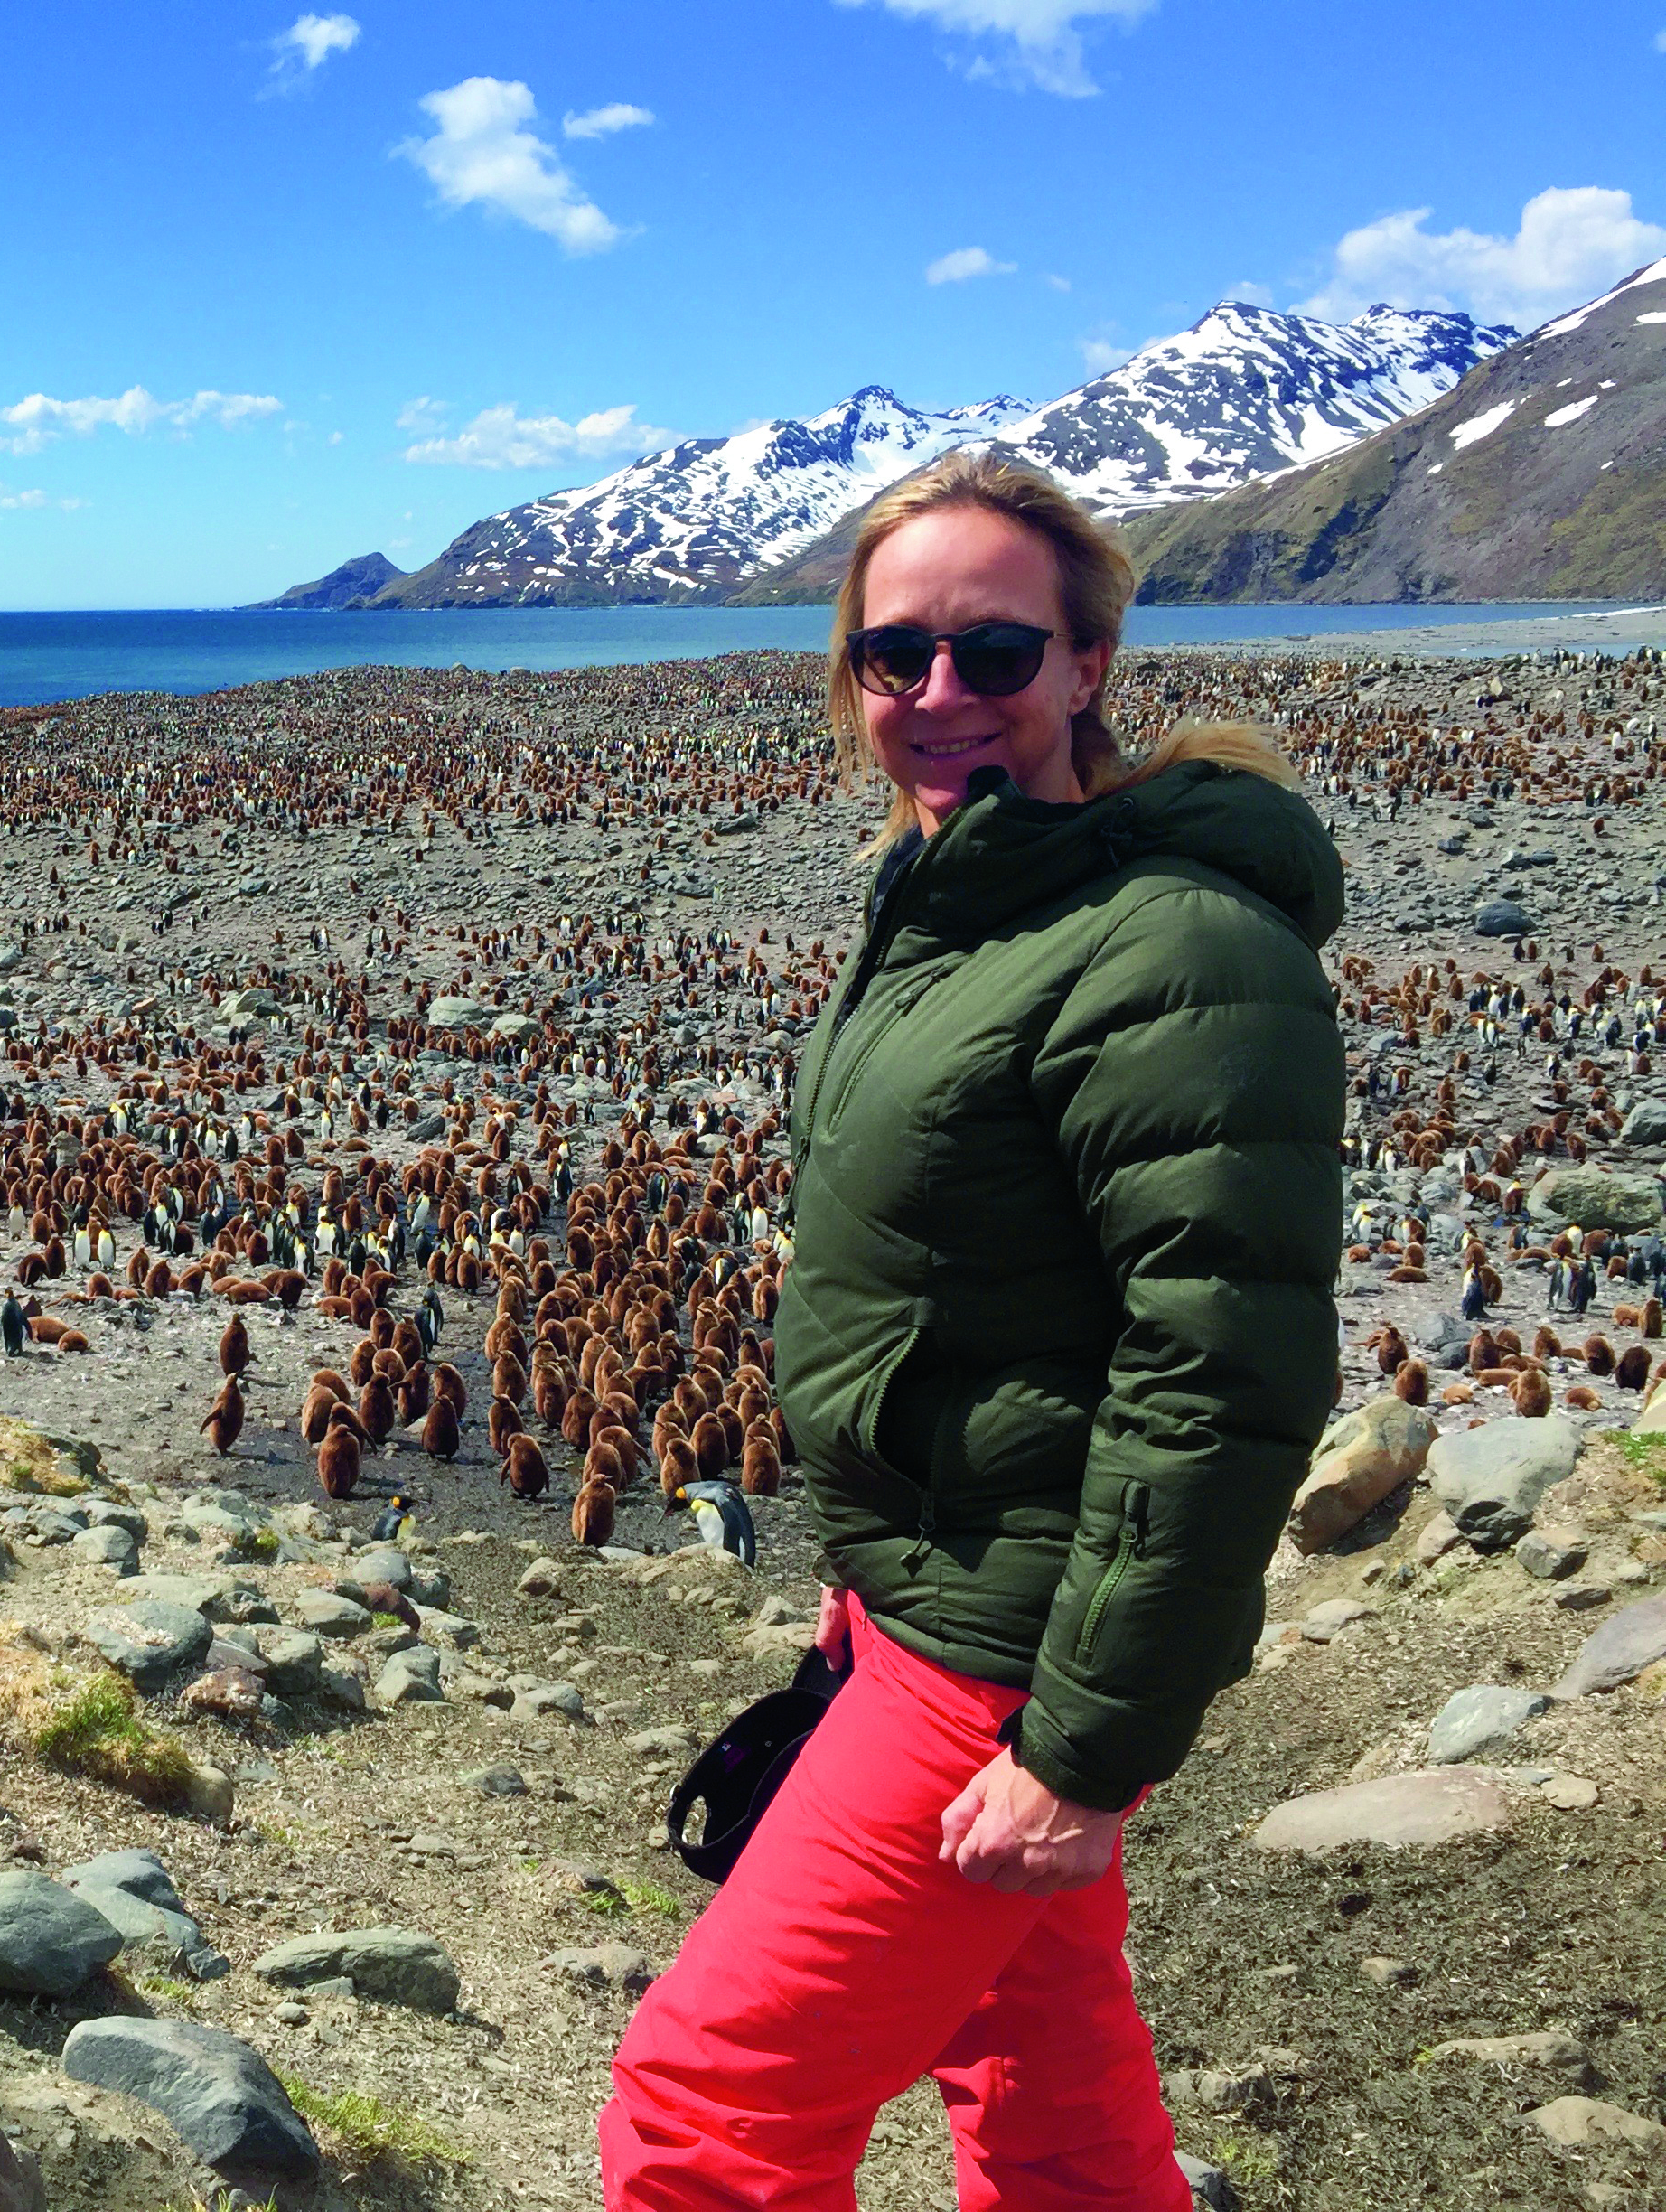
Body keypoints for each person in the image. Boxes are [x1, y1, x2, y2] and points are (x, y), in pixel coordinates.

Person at [600, 449, 1343, 2210]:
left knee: (706, 2113)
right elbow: (965, 1300)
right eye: (895, 652)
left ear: (1087, 665)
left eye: (995, 651)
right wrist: (865, 1564)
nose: (940, 692)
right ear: (852, 674)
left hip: (1006, 1645)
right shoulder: (953, 904)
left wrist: (1084, 1751)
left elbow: (1220, 1373)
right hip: (936, 1598)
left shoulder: (1176, 947)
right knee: (1039, 2071)